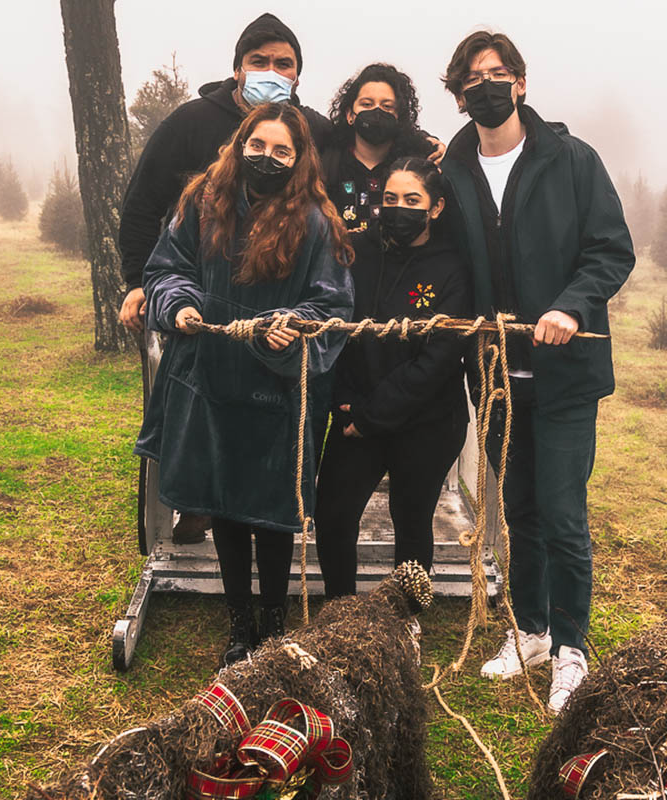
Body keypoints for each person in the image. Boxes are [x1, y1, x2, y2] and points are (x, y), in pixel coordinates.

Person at [438, 31, 636, 714]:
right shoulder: (452, 169)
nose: (485, 86)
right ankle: (530, 630)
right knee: (515, 511)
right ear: (459, 94)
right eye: (472, 78)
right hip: (493, 377)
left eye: (498, 74)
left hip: (564, 374)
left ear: (520, 83)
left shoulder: (571, 160)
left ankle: (572, 648)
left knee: (560, 512)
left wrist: (571, 307)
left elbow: (611, 251)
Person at [134, 103, 354, 666]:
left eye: (282, 151)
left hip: (275, 393)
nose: (267, 158)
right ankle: (239, 627)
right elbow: (166, 268)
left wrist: (294, 326)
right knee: (224, 506)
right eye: (258, 145)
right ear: (240, 144)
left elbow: (331, 302)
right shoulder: (203, 205)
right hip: (208, 382)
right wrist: (177, 303)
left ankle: (274, 625)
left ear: (299, 160)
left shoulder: (315, 223)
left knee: (272, 514)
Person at [118, 13, 329, 340]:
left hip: (278, 309)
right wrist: (138, 281)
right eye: (258, 61)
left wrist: (425, 146)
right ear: (237, 70)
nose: (271, 72)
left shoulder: (313, 130)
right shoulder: (190, 122)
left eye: (283, 64)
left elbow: (367, 141)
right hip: (194, 304)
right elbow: (142, 204)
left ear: (297, 76)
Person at [314, 158, 470, 597]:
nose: (399, 208)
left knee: (412, 517)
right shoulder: (356, 252)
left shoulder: (454, 266)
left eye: (411, 200)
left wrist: (372, 413)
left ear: (435, 208)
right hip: (354, 412)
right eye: (389, 199)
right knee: (334, 515)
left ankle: (406, 617)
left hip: (427, 420)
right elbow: (337, 325)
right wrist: (344, 399)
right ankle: (340, 610)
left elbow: (439, 358)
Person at [322, 64, 436, 235]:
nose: (376, 112)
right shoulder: (329, 163)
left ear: (400, 116)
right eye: (367, 104)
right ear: (350, 115)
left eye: (387, 106)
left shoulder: (415, 165)